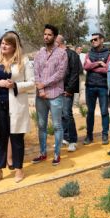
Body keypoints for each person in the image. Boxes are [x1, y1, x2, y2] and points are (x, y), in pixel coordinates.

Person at [0, 31, 34, 183]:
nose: (3, 46)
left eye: (7, 44)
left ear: (14, 47)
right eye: (2, 43)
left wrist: (15, 85)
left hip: (15, 105)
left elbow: (32, 83)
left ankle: (19, 170)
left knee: (17, 138)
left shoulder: (23, 61)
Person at [32, 24, 68, 165]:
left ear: (55, 37)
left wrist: (44, 84)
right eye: (45, 34)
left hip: (55, 95)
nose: (46, 37)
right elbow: (36, 72)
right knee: (41, 125)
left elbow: (60, 74)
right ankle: (42, 153)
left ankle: (57, 155)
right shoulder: (39, 54)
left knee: (57, 125)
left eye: (49, 35)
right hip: (40, 96)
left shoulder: (61, 53)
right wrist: (40, 89)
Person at [83, 32, 110, 145]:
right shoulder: (89, 53)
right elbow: (85, 66)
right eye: (92, 40)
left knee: (104, 112)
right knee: (90, 112)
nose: (93, 41)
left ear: (102, 40)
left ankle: (105, 135)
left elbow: (108, 70)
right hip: (89, 86)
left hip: (103, 87)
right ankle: (89, 136)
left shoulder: (109, 54)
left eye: (95, 39)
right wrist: (99, 63)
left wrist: (92, 66)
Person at [57, 34, 81, 152]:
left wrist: (69, 90)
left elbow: (74, 74)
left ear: (59, 43)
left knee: (67, 113)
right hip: (58, 90)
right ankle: (65, 138)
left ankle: (73, 140)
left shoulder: (73, 55)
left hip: (67, 90)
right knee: (61, 115)